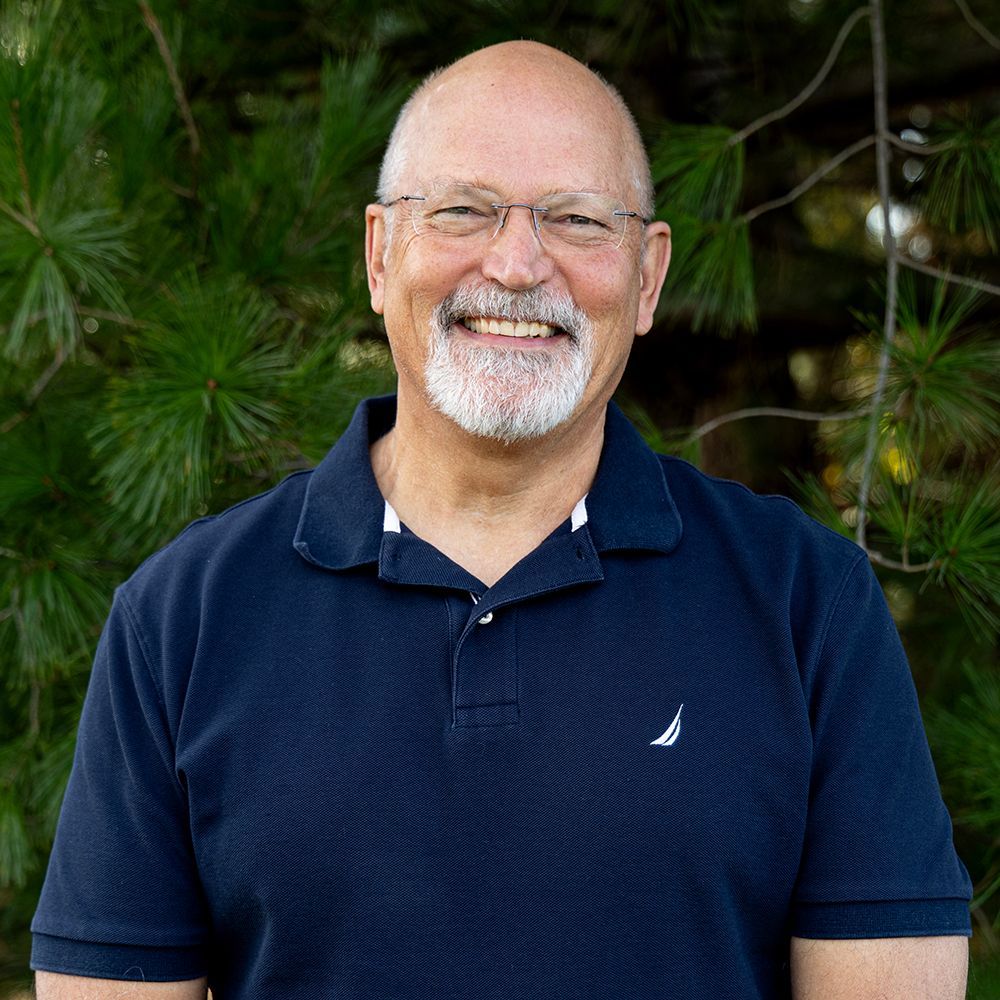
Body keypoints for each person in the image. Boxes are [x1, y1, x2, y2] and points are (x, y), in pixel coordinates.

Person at [32, 40, 971, 1000]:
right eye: (462, 210)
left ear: (648, 279)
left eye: (575, 219)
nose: (518, 264)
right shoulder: (181, 618)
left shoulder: (806, 604)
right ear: (378, 253)